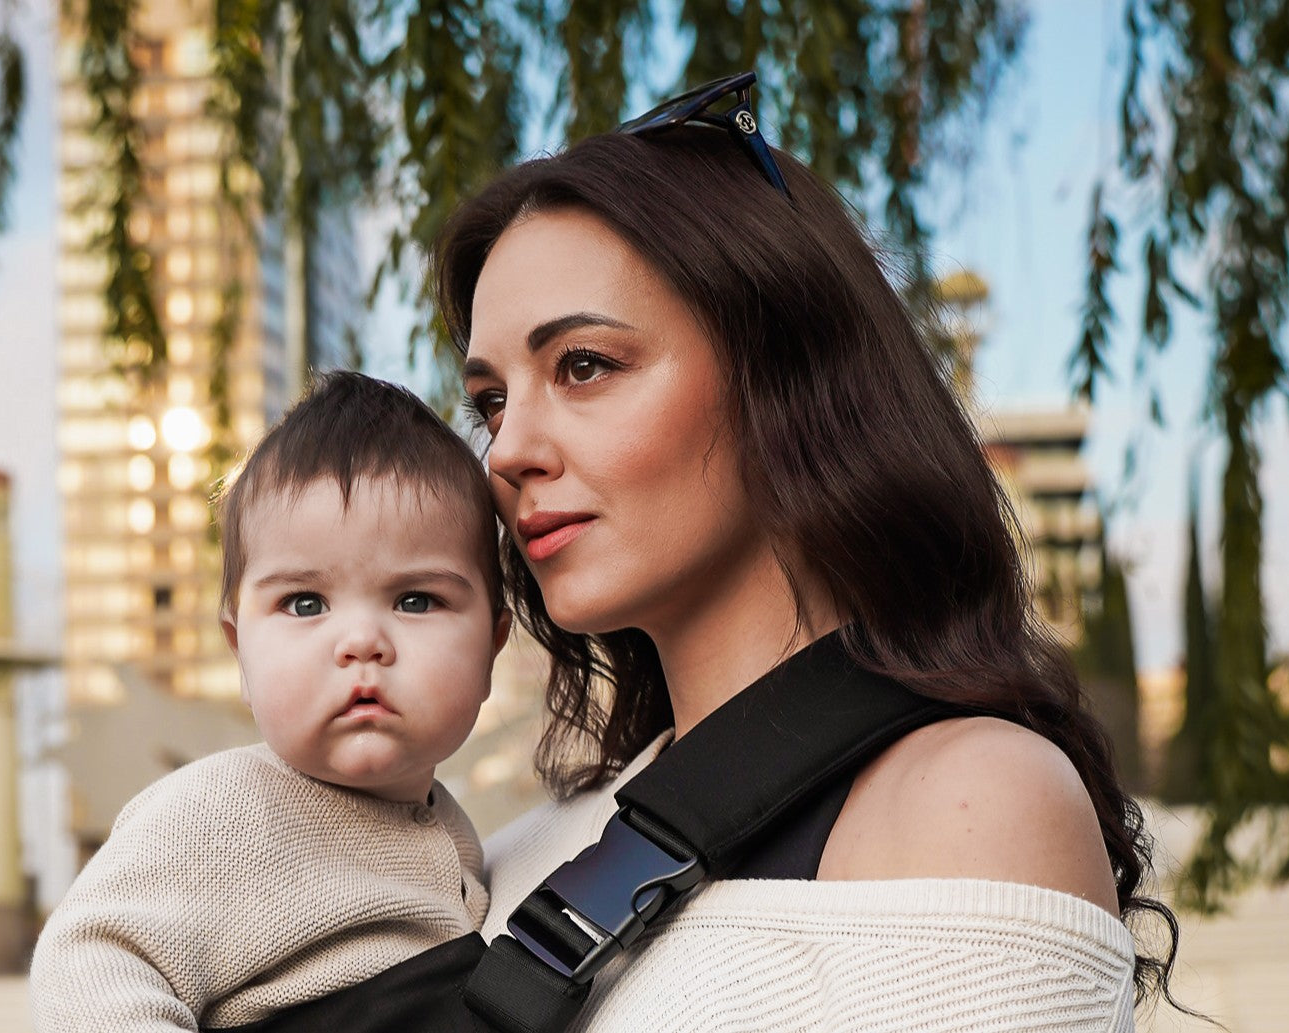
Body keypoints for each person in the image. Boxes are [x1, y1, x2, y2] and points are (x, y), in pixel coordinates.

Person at [433, 73, 1182, 1030]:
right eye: (491, 402)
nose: (508, 451)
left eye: (583, 365)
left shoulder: (970, 805)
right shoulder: (509, 859)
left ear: (783, 376)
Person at [29, 371, 512, 1032]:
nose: (362, 642)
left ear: (491, 646)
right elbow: (88, 960)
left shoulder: (459, 838)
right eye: (305, 603)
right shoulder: (216, 811)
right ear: (240, 652)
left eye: (415, 599)